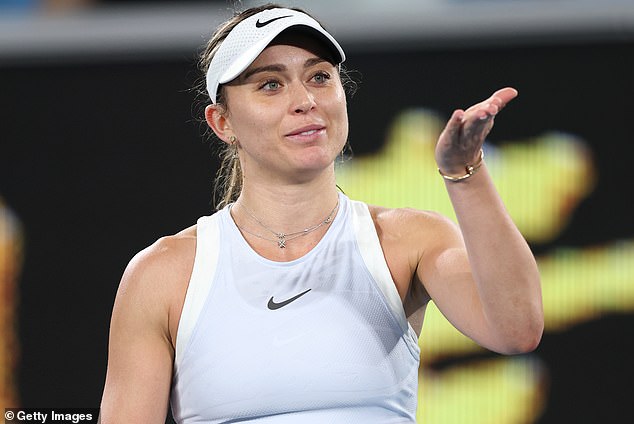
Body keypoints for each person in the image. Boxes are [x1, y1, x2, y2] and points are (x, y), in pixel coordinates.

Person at [99, 4, 543, 423]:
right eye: (271, 84)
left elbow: (516, 328)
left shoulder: (409, 241)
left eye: (318, 77)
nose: (305, 100)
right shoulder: (163, 275)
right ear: (222, 122)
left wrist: (465, 173)